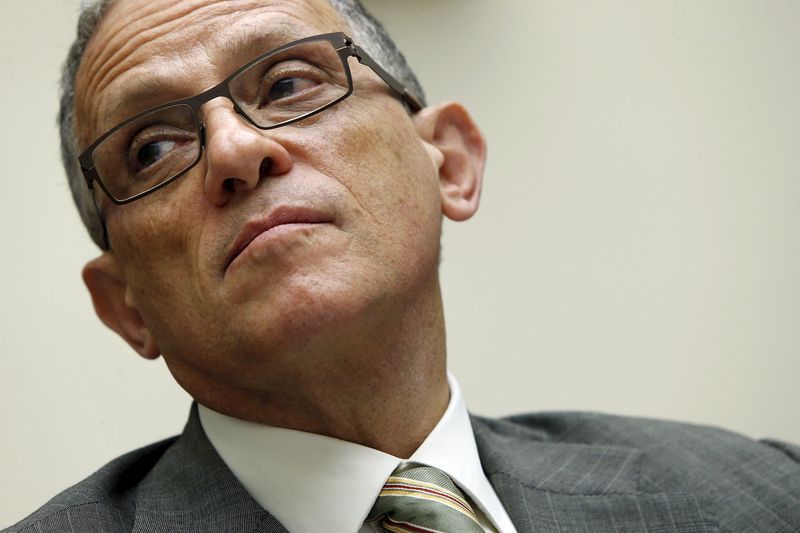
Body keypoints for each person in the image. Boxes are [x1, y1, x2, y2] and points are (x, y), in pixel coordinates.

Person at [6, 0, 800, 531]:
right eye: (152, 147)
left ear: (448, 162)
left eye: (287, 82)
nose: (237, 149)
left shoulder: (760, 493)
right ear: (126, 307)